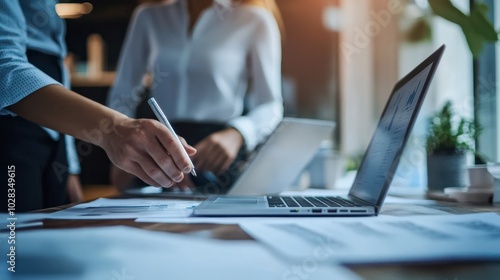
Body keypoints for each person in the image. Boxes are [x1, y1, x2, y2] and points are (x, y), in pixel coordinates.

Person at [0, 0, 195, 212]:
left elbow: (57, 75)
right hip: (11, 128)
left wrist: (68, 165)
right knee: (13, 239)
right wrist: (114, 129)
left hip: (54, 137)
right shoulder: (150, 16)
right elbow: (4, 68)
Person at [107, 0, 284, 193]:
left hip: (217, 157)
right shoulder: (148, 16)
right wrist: (122, 147)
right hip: (159, 150)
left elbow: (271, 105)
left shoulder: (254, 20)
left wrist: (237, 133)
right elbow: (123, 92)